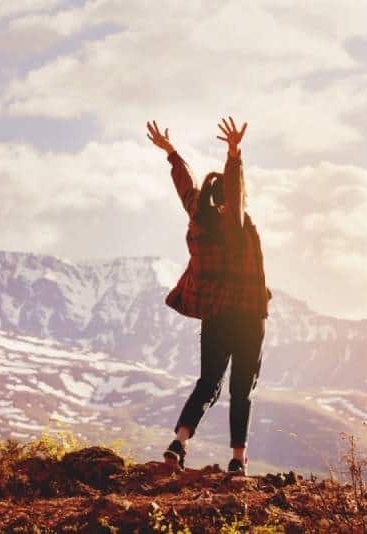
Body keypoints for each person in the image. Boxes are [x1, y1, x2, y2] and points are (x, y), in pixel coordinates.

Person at [146, 117, 271, 474]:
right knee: (241, 389)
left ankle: (179, 442)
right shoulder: (237, 223)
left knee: (208, 383)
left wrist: (172, 153)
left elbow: (186, 188)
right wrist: (234, 155)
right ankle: (237, 459)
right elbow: (235, 193)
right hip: (248, 316)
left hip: (216, 315)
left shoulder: (197, 223)